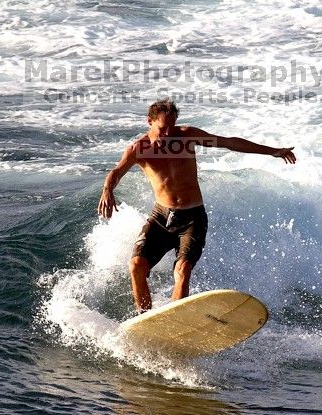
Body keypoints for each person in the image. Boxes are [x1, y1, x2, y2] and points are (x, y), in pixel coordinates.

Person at [97, 98, 296, 311]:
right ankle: (144, 316)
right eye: (163, 128)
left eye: (172, 127)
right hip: (161, 217)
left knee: (182, 269)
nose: (168, 134)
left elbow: (228, 142)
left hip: (192, 218)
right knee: (136, 265)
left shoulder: (186, 137)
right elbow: (116, 172)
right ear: (150, 121)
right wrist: (108, 189)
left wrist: (273, 151)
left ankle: (174, 319)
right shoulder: (140, 148)